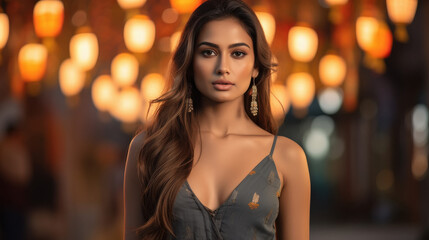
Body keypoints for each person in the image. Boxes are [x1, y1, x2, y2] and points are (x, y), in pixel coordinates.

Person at [124, 0, 310, 239]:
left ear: (255, 67)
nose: (223, 67)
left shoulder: (287, 157)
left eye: (238, 53)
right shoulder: (147, 148)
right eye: (208, 52)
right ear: (190, 62)